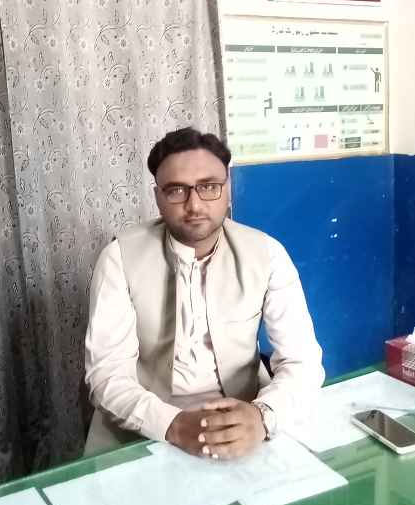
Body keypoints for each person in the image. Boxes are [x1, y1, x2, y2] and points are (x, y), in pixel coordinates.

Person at [84, 127, 324, 459]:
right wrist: (172, 425)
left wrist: (262, 416)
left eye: (209, 187)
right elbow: (106, 374)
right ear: (158, 198)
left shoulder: (267, 254)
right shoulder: (120, 258)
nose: (194, 205)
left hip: (244, 418)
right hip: (146, 428)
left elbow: (303, 361)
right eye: (176, 191)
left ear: (228, 190)